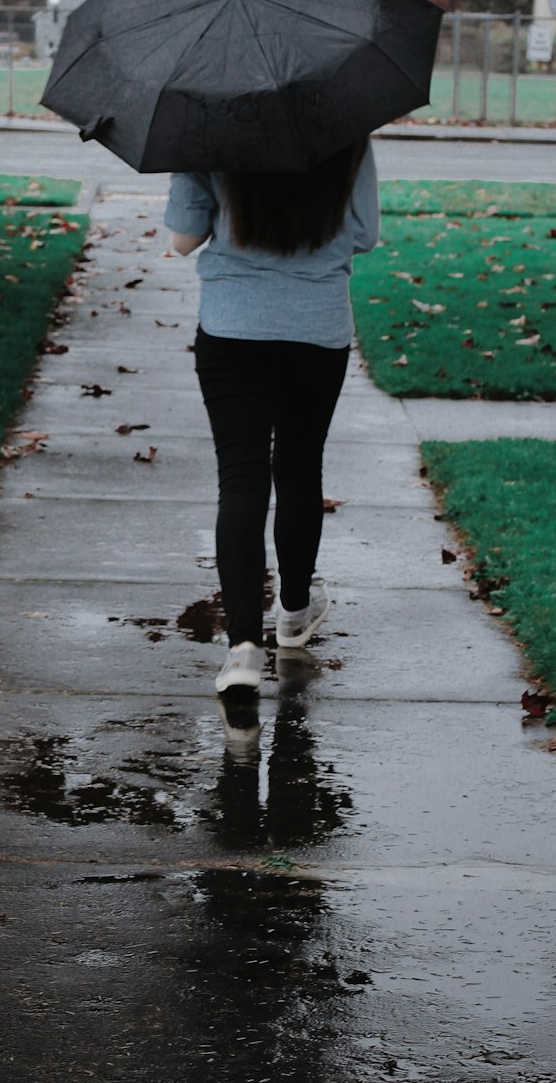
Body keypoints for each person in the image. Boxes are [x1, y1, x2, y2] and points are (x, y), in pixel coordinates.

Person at [164, 138, 380, 695]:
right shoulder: (345, 132)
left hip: (233, 328)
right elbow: (364, 236)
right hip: (318, 329)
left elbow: (184, 241)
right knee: (300, 468)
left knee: (241, 480)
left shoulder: (204, 126)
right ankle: (293, 611)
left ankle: (242, 651)